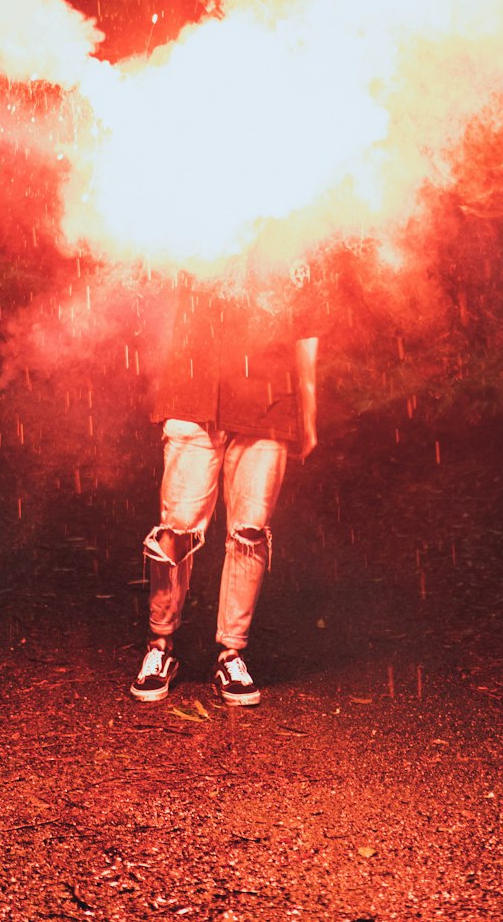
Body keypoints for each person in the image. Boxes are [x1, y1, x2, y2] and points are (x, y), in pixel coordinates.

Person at [130, 264, 320, 707]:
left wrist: (307, 416)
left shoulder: (295, 229)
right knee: (175, 531)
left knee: (250, 533)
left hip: (267, 400)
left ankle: (232, 653)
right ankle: (160, 646)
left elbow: (306, 331)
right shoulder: (189, 210)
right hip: (192, 393)